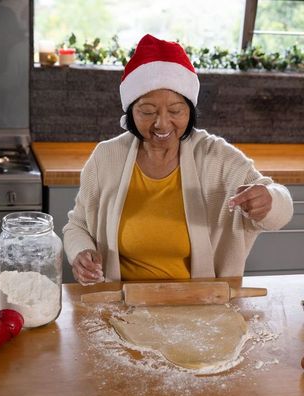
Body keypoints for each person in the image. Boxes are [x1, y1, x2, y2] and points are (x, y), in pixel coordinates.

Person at [63, 34, 293, 285]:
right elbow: (77, 225)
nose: (162, 123)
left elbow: (281, 208)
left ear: (190, 110)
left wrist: (269, 200)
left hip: (198, 306)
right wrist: (81, 253)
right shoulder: (106, 158)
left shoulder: (217, 158)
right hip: (120, 306)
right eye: (148, 111)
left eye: (175, 110)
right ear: (130, 111)